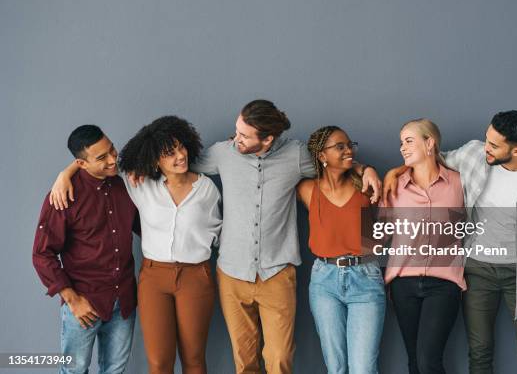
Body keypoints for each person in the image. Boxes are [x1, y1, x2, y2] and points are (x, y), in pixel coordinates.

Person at [51, 100, 382, 374]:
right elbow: (135, 162)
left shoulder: (293, 156)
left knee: (278, 359)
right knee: (240, 360)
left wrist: (363, 169)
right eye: (236, 130)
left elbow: (334, 159)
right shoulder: (220, 155)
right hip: (228, 274)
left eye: (243, 135)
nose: (234, 138)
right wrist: (67, 172)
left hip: (276, 273)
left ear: (266, 139)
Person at [383, 111, 517, 374]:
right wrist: (393, 172)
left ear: (516, 150)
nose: (485, 148)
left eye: (493, 145)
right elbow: (430, 158)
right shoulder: (474, 154)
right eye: (486, 139)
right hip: (477, 270)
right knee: (479, 352)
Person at [50, 116, 222, 374]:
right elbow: (96, 165)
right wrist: (66, 173)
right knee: (158, 363)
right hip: (154, 278)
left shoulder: (207, 189)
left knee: (194, 359)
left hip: (196, 275)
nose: (179, 156)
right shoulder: (140, 185)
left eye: (180, 148)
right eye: (169, 153)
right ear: (154, 159)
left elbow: (217, 230)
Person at [33, 125, 139, 374]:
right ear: (81, 163)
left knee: (115, 370)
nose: (113, 159)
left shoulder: (123, 185)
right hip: (84, 303)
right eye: (102, 158)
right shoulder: (63, 196)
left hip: (123, 300)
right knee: (74, 370)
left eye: (112, 149)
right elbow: (42, 254)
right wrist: (73, 300)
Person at [296, 126, 386, 374]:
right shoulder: (306, 189)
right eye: (340, 146)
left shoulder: (366, 187)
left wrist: (365, 169)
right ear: (322, 156)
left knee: (363, 369)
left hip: (365, 278)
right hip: (324, 279)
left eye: (349, 145)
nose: (349, 150)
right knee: (335, 368)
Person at [382, 119, 466, 374]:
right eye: (401, 143)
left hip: (444, 284)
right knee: (415, 362)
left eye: (409, 141)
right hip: (403, 283)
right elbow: (378, 234)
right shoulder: (394, 185)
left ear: (430, 143)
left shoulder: (460, 182)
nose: (402, 148)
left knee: (430, 361)